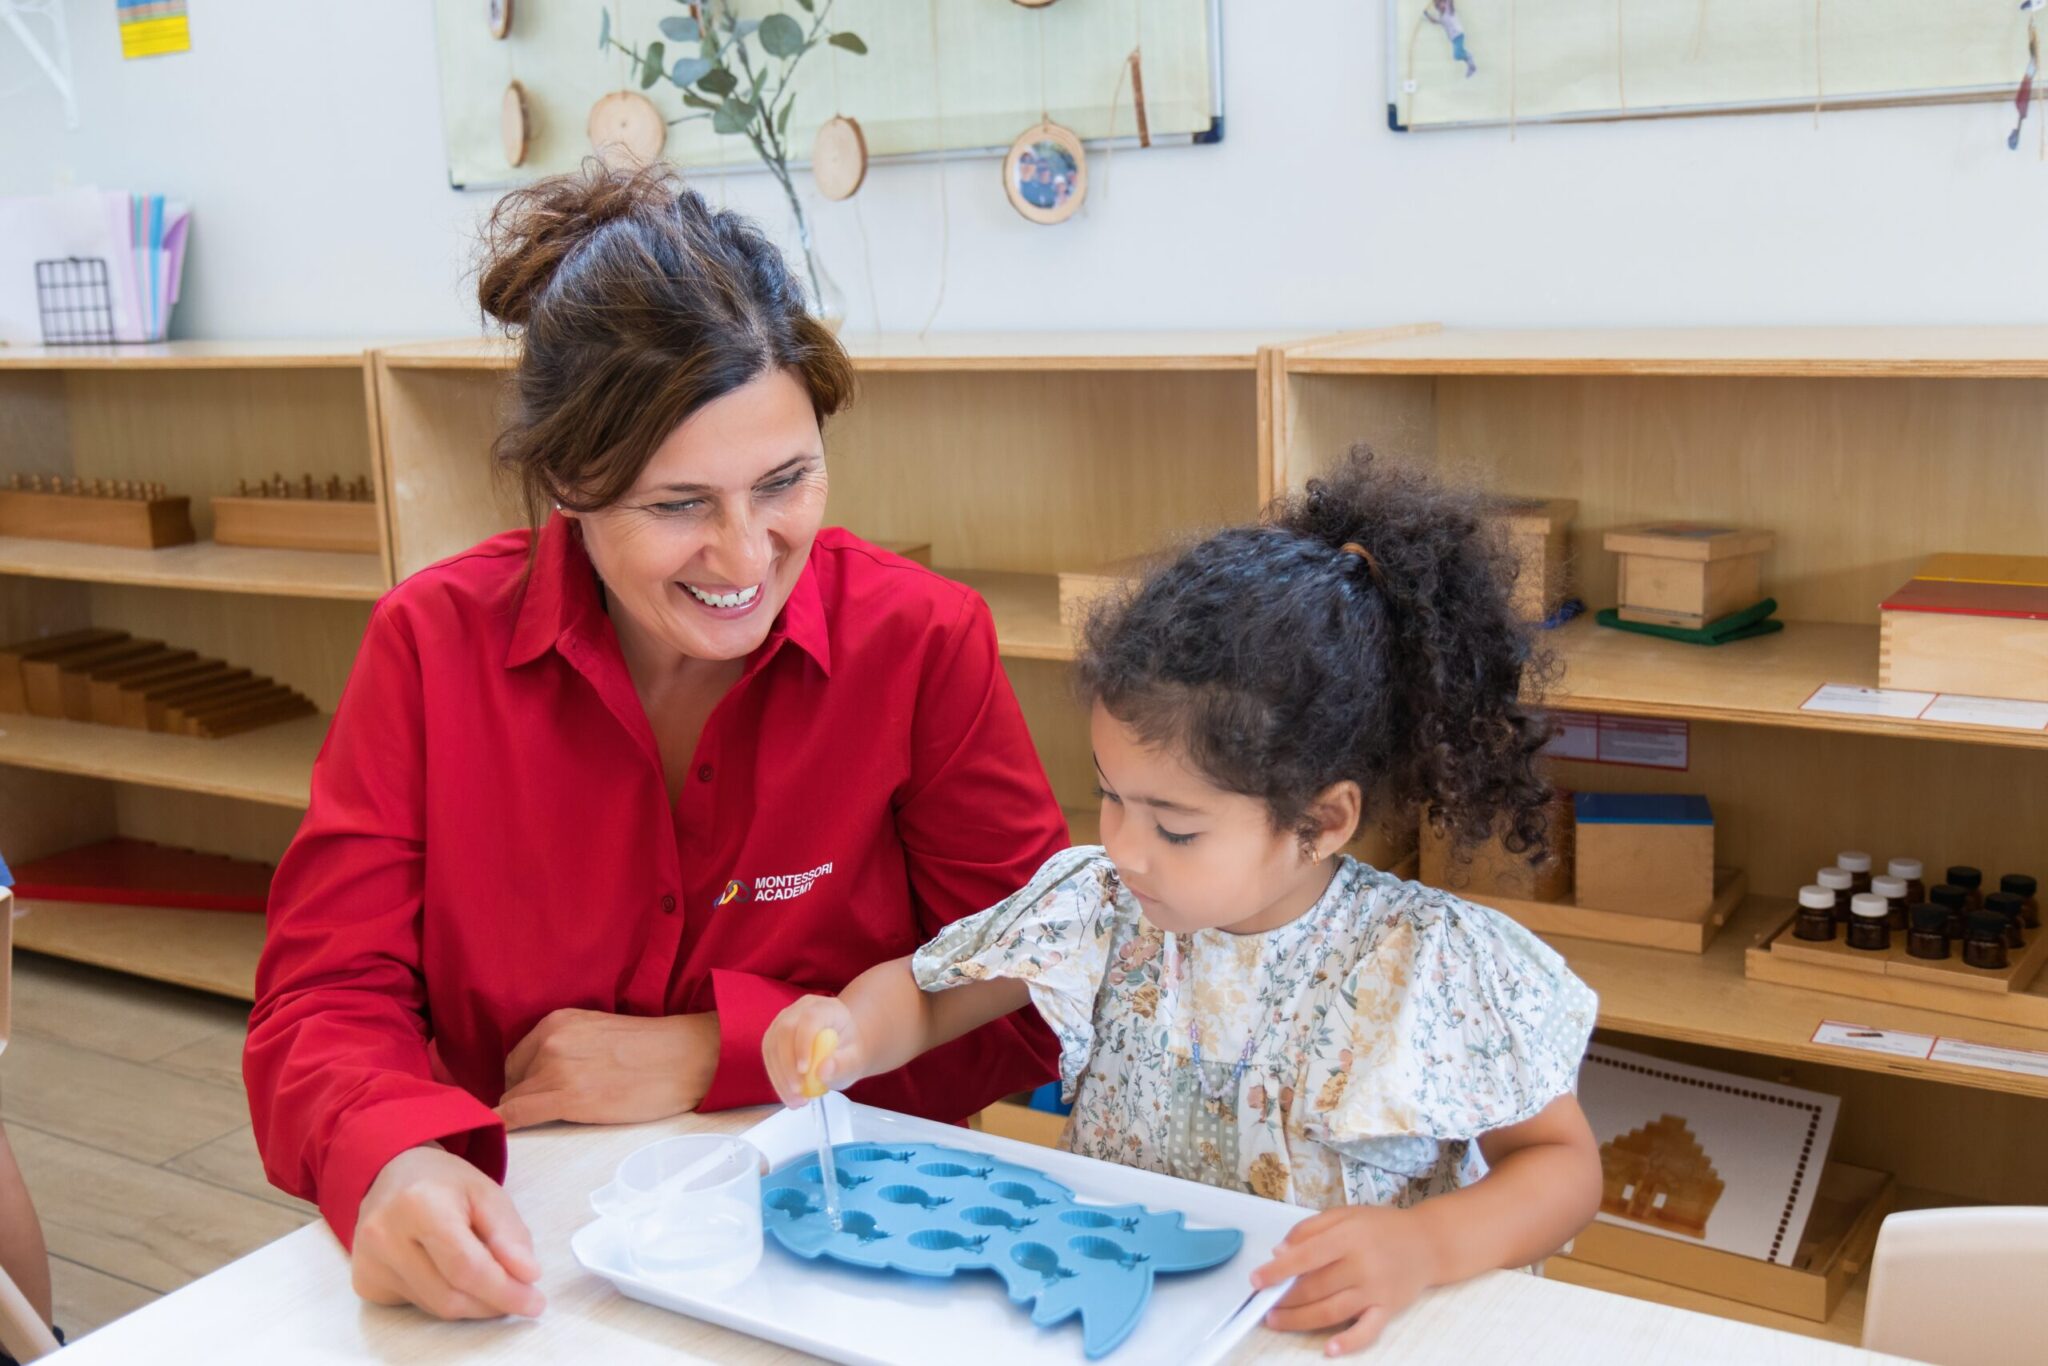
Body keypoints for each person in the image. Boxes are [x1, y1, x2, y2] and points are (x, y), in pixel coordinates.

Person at [246, 161, 1066, 1321]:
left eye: (783, 481)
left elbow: (1026, 990)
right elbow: (326, 995)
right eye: (678, 505)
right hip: (544, 1243)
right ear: (568, 486)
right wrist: (391, 1159)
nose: (743, 557)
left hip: (855, 1248)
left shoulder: (922, 641)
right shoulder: (428, 648)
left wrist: (710, 1050)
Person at [764, 452, 1602, 1356]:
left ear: (1322, 820)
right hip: (1124, 1327)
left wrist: (1425, 1246)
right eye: (1111, 795)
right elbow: (926, 996)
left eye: (1176, 827)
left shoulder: (1429, 963)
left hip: (1318, 1335)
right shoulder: (1094, 907)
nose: (1124, 846)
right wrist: (846, 1029)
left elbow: (1559, 1167)